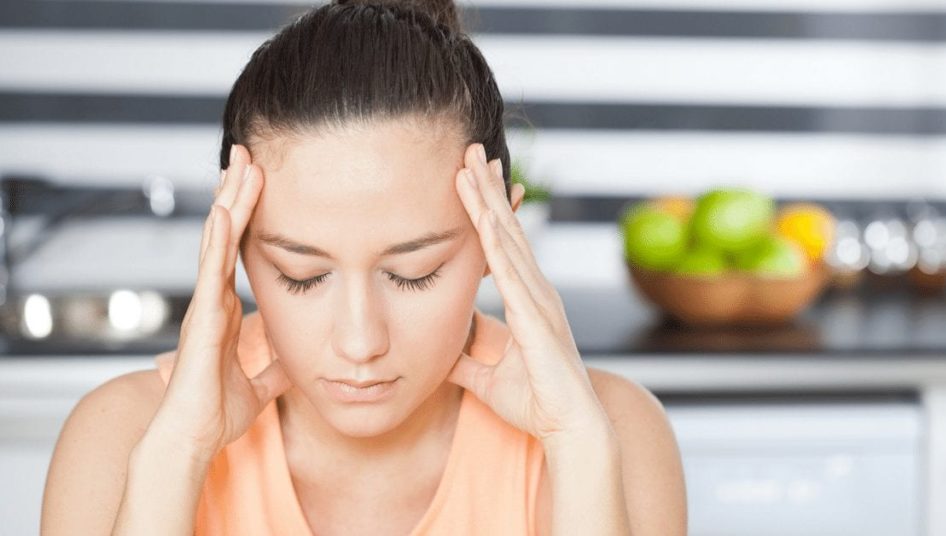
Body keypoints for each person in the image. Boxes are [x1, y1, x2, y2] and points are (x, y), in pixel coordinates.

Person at [40, 1, 687, 534]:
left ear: (502, 241)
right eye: (302, 275)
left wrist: (575, 442)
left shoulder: (609, 432)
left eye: (413, 273)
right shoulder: (124, 436)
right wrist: (176, 454)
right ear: (233, 242)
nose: (359, 342)